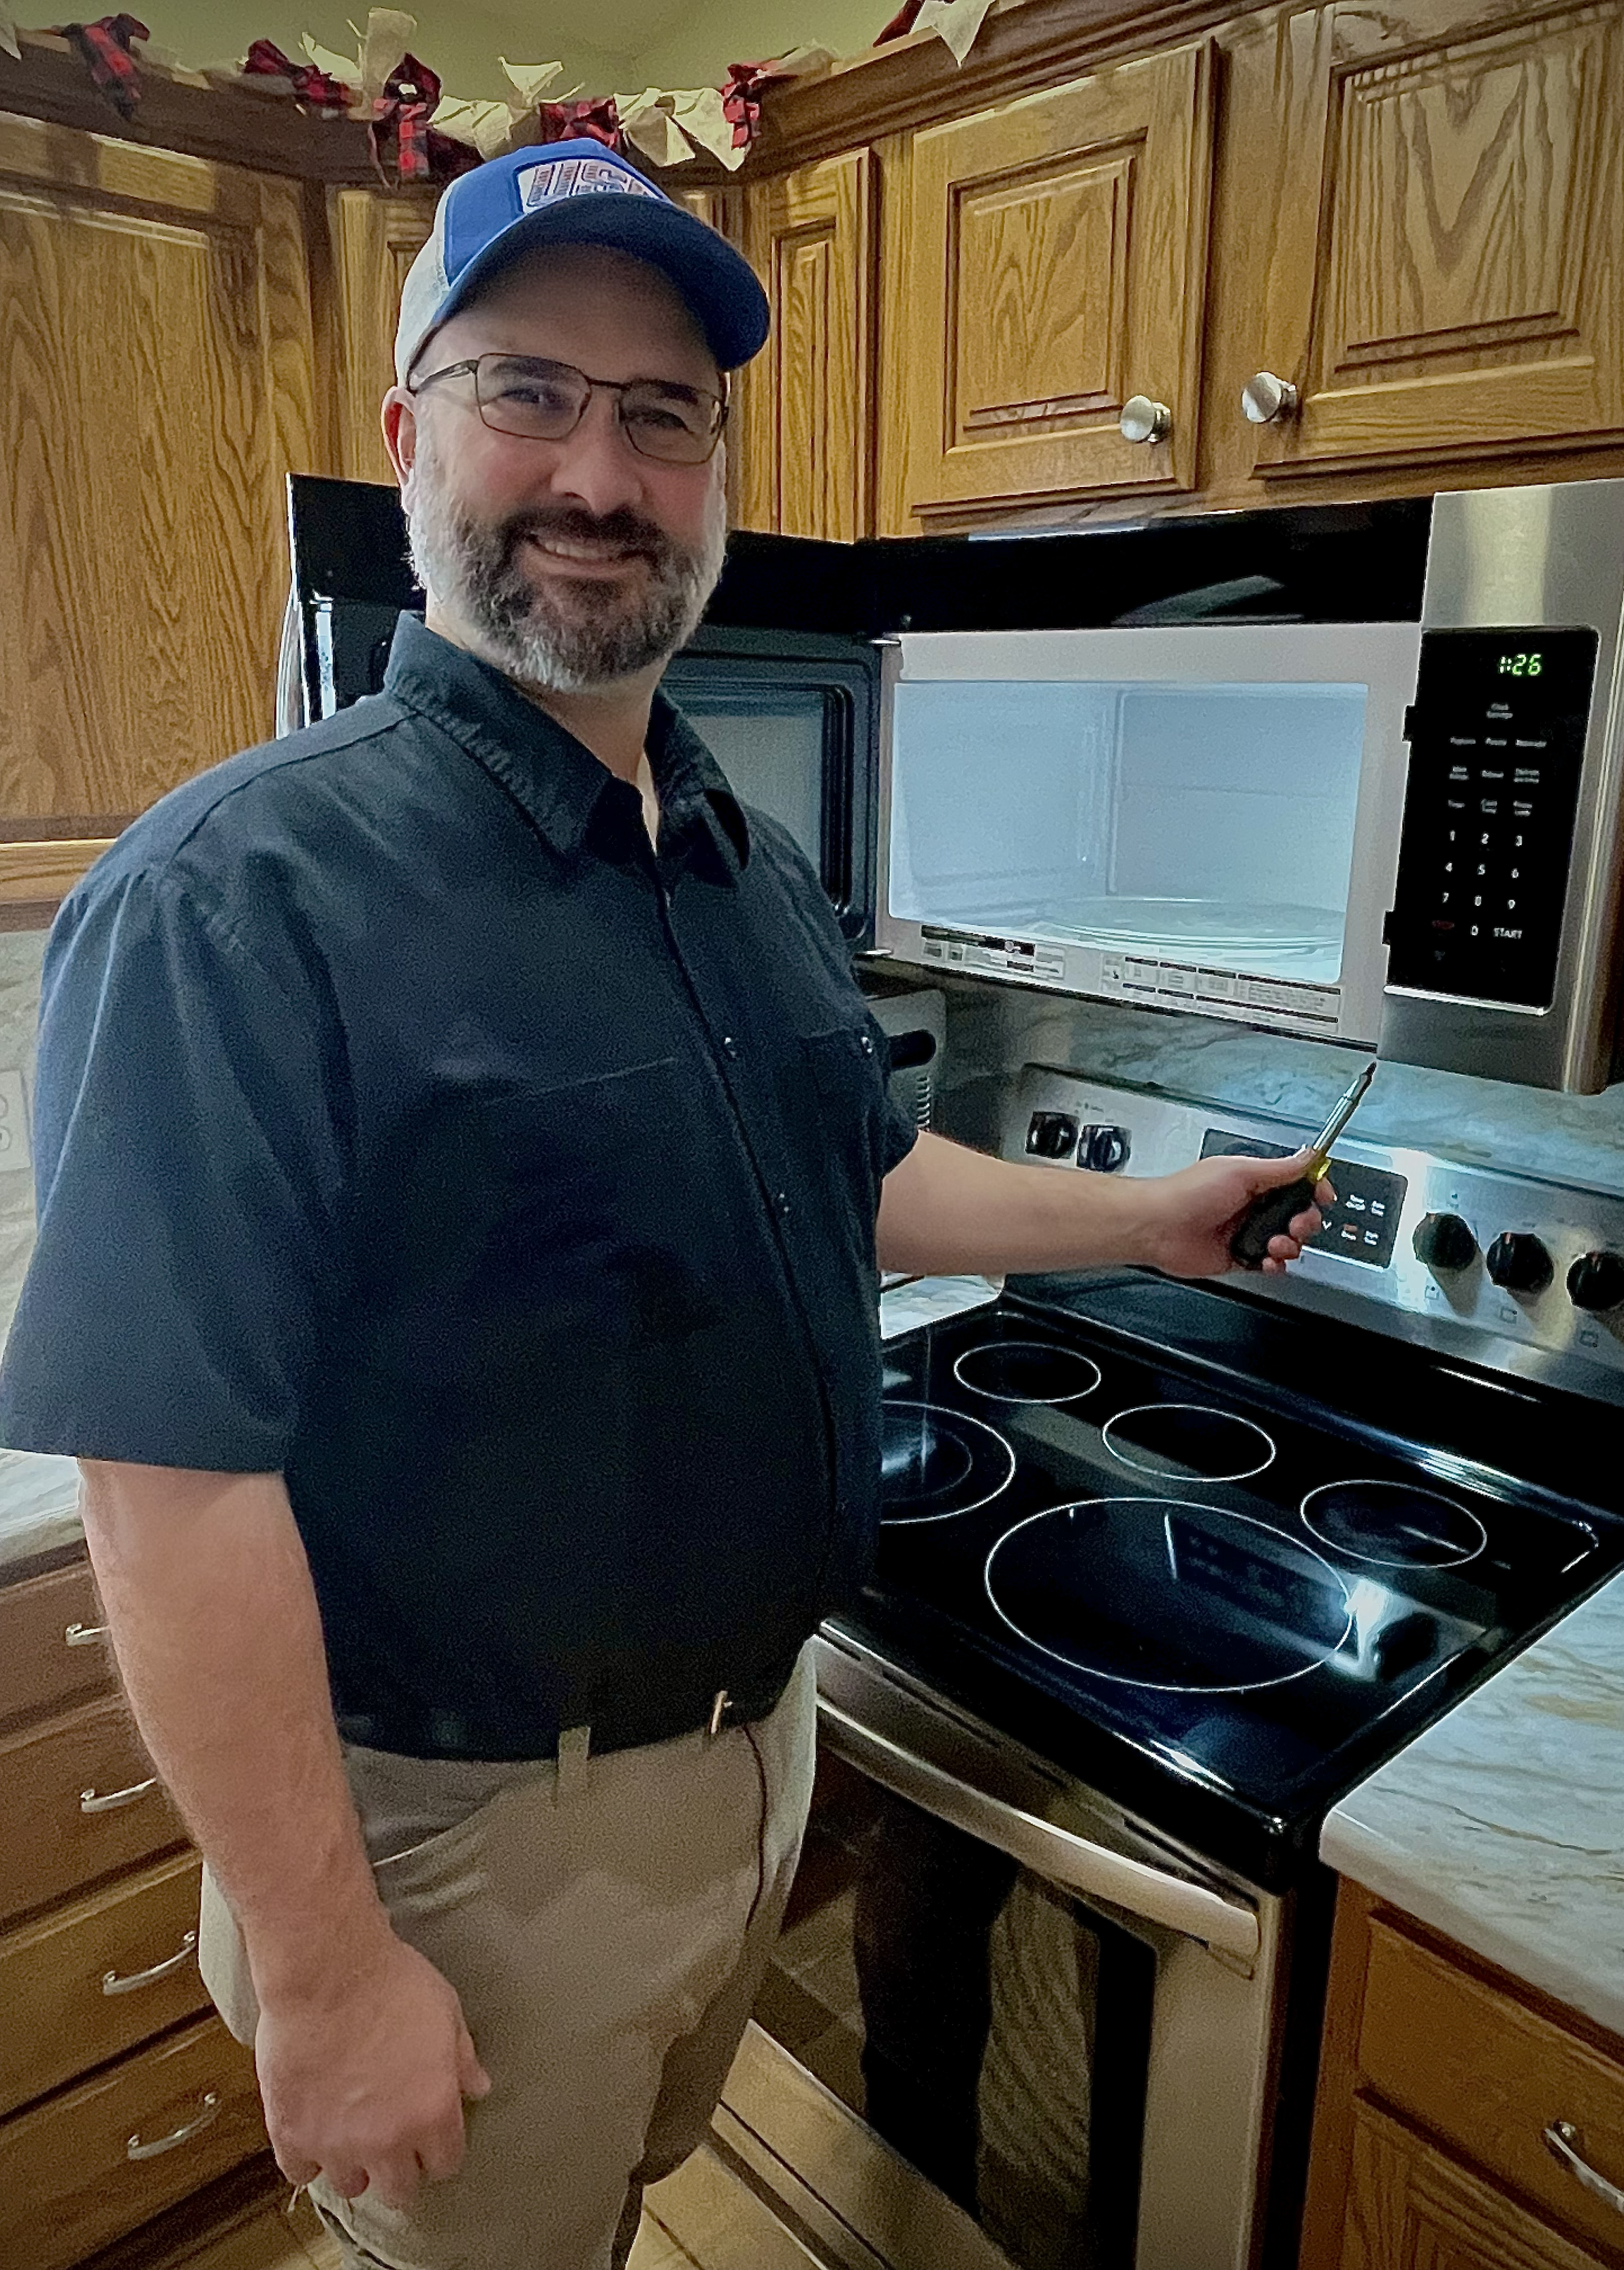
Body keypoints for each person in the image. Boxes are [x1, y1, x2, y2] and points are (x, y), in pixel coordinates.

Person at [0, 143, 1328, 2270]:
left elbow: (848, 1175)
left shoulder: (726, 843)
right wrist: (333, 1965)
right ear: (407, 431)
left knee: (612, 2222)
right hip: (451, 1833)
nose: (596, 475)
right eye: (529, 391)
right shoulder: (234, 900)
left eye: (660, 414)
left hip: (748, 1751)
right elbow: (167, 1482)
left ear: (711, 466)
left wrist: (1145, 1219)